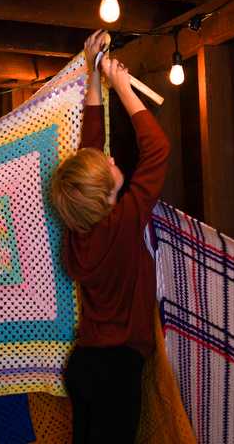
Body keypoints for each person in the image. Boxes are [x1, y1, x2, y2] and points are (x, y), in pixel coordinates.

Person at [50, 30, 171, 443]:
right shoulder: (124, 222)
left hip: (84, 367)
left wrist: (95, 76)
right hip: (117, 371)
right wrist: (123, 88)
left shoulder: (80, 224)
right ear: (105, 193)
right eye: (107, 164)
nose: (111, 156)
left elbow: (89, 146)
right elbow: (158, 150)